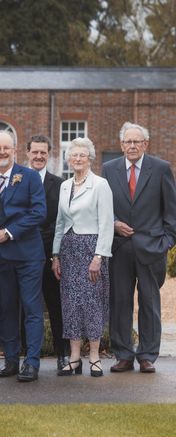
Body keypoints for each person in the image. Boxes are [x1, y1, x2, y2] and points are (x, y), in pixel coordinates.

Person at [102, 122, 176, 373]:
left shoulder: (161, 169)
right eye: (127, 142)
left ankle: (147, 356)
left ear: (145, 144)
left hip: (151, 248)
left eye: (137, 142)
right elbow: (102, 208)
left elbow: (171, 211)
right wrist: (113, 224)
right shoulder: (109, 169)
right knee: (120, 302)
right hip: (119, 248)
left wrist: (166, 242)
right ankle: (123, 354)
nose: (132, 146)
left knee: (149, 304)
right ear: (121, 145)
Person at [0, 131, 46, 382]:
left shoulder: (30, 177)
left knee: (32, 310)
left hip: (28, 255)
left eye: (6, 148)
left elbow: (39, 212)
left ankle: (31, 362)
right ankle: (11, 359)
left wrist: (9, 232)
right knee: (7, 310)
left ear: (14, 150)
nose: (2, 152)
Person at [52, 137, 114, 377]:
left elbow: (106, 224)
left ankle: (95, 357)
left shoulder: (100, 185)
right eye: (73, 155)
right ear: (69, 159)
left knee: (92, 303)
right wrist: (55, 255)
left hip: (91, 251)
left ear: (90, 158)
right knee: (70, 305)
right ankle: (75, 357)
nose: (77, 159)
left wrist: (99, 256)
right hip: (68, 252)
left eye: (82, 155)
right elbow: (60, 223)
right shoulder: (65, 186)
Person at [26, 135, 69, 371]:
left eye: (43, 152)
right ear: (28, 153)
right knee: (27, 306)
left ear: (49, 154)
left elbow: (60, 221)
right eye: (35, 152)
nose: (39, 156)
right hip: (24, 255)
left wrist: (55, 254)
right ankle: (28, 356)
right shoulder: (19, 179)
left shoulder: (59, 184)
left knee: (56, 306)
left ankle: (62, 355)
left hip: (50, 254)